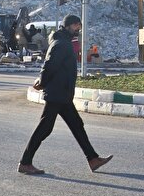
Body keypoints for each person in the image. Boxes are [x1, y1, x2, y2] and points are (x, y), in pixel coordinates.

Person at [18, 16, 112, 175]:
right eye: (76, 26)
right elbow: (50, 65)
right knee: (45, 128)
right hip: (57, 93)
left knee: (77, 125)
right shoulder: (61, 44)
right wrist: (42, 81)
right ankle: (25, 162)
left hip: (63, 94)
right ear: (68, 26)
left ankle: (93, 159)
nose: (78, 29)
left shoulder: (64, 42)